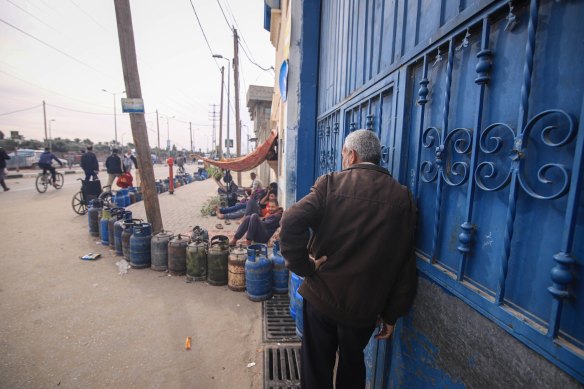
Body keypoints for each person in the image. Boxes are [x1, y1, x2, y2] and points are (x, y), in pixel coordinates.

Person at [279, 129, 417, 389]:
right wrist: (391, 315)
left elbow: (290, 220)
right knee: (352, 369)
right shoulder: (403, 198)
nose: (343, 160)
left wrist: (304, 266)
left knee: (315, 369)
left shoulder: (331, 184)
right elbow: (405, 263)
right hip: (364, 309)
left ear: (351, 155)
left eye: (344, 154)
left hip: (322, 299)